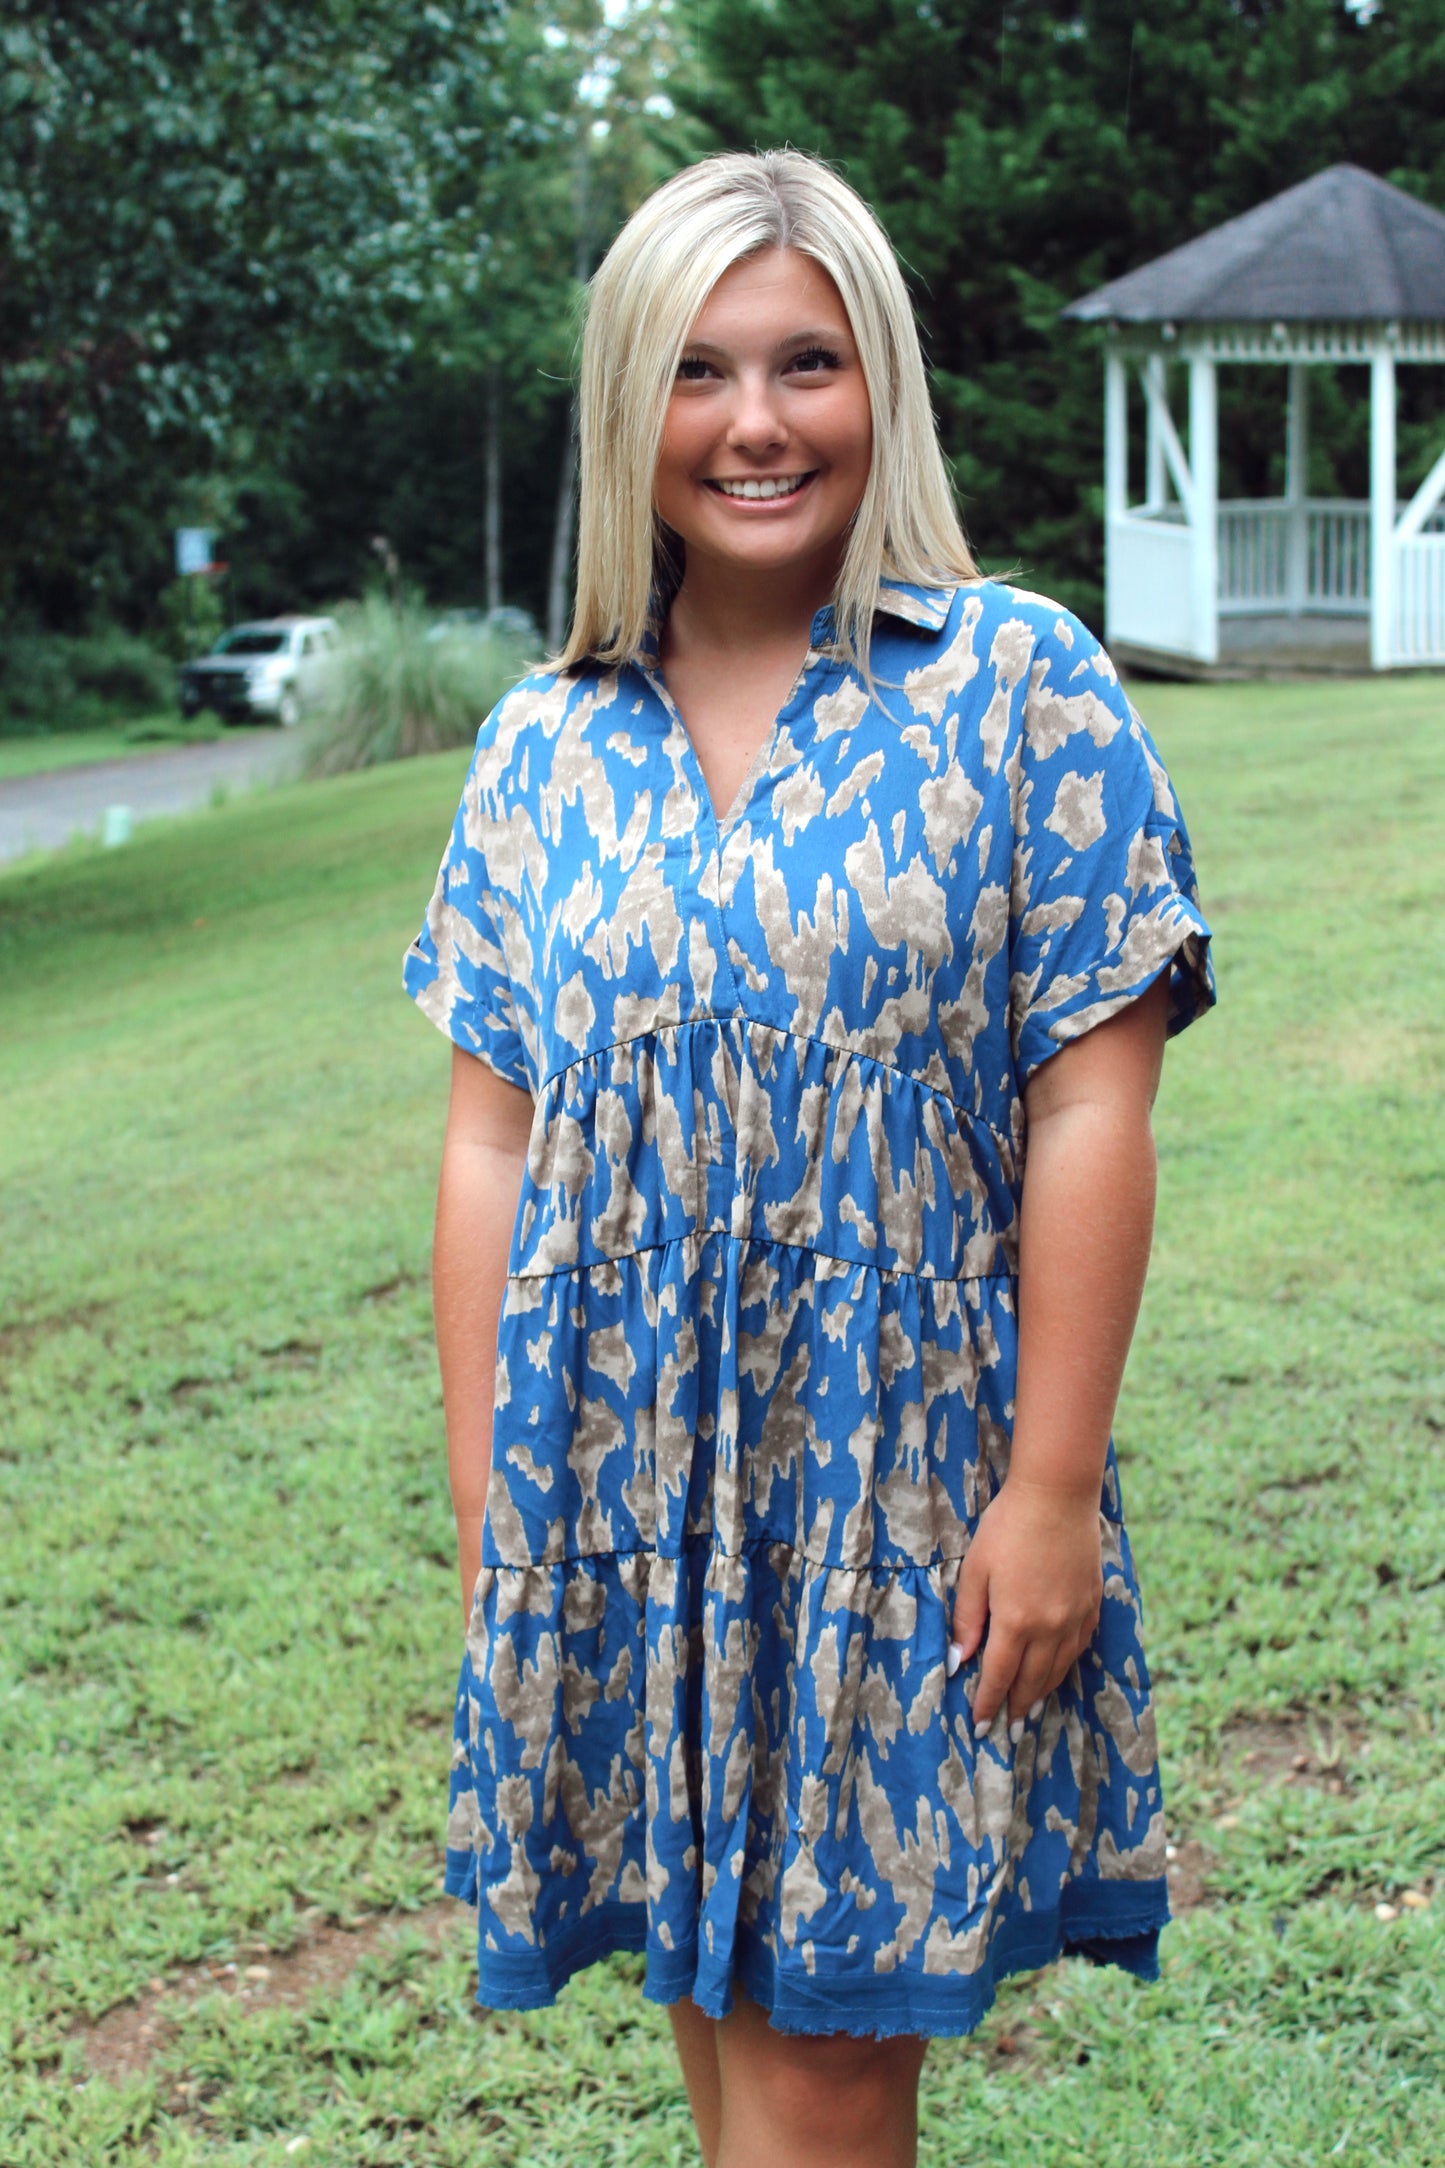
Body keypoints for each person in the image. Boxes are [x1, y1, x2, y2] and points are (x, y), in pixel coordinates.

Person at [402, 149, 1215, 2168]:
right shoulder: (544, 741)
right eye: (696, 371)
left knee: (827, 2066)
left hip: (902, 1488)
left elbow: (1093, 1100)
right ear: (626, 408)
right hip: (619, 1487)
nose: (754, 421)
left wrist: (1049, 1487)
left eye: (804, 363)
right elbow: (490, 1131)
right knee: (717, 2010)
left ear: (883, 388)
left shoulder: (1019, 686)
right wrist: (498, 1504)